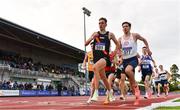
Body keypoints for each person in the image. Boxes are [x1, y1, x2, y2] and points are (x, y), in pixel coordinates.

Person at [85, 17, 120, 104]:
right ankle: (110, 92)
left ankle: (96, 93)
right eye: (99, 23)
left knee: (95, 67)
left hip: (105, 58)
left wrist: (114, 53)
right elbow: (86, 43)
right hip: (97, 59)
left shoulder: (110, 34)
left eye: (102, 23)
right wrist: (92, 37)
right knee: (104, 78)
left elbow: (118, 44)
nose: (100, 25)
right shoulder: (95, 34)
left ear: (106, 24)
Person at [118, 21, 152, 105]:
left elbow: (144, 39)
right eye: (123, 27)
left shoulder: (134, 35)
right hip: (125, 61)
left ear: (129, 27)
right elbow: (118, 49)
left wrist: (148, 49)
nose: (125, 28)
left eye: (126, 26)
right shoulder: (120, 39)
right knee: (130, 81)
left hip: (133, 59)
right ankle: (136, 96)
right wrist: (119, 56)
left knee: (128, 70)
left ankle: (136, 86)